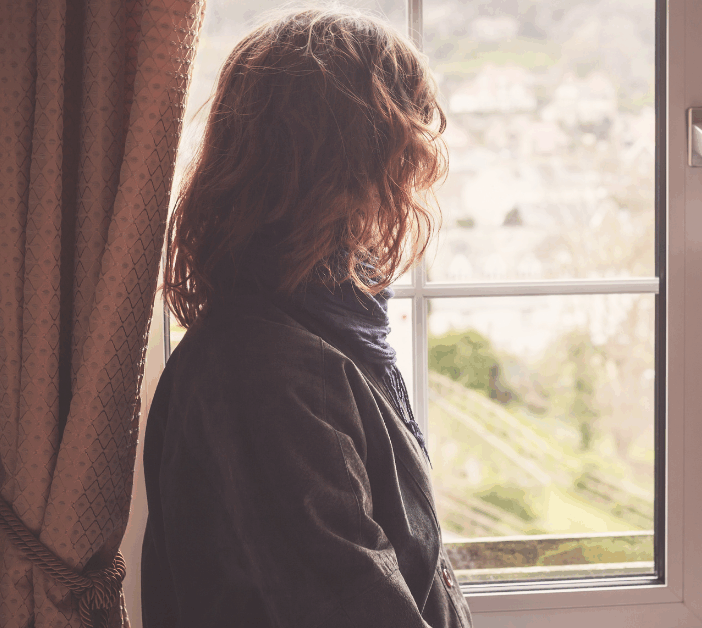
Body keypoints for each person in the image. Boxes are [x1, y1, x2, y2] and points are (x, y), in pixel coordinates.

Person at [141, 9, 471, 627]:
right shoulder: (268, 375)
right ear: (346, 166)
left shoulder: (321, 338)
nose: (415, 173)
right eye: (403, 149)